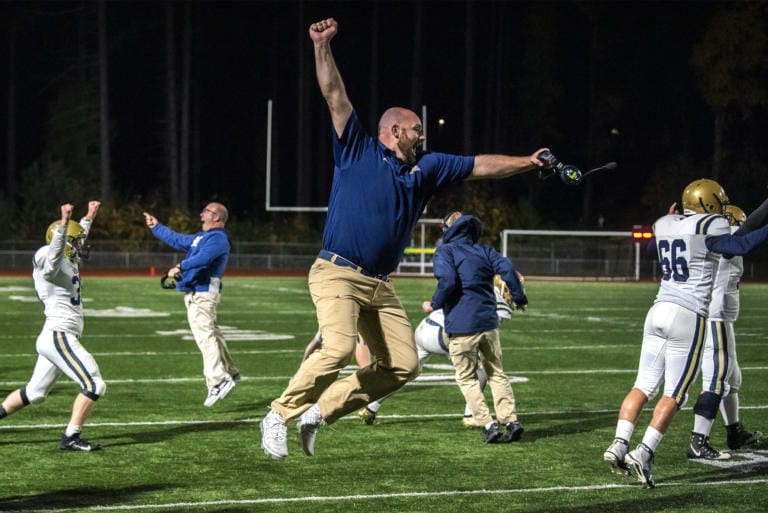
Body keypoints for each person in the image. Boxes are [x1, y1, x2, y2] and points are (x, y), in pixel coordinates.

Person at [259, 17, 548, 460]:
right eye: (416, 129)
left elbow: (480, 165)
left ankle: (322, 410)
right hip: (337, 271)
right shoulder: (356, 146)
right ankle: (278, 415)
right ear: (395, 131)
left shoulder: (427, 167)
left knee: (404, 364)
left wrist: (528, 162)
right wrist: (321, 47)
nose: (422, 135)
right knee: (337, 348)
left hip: (380, 283)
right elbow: (334, 95)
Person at [602, 179, 768, 488]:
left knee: (642, 385)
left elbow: (652, 246)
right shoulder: (712, 224)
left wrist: (672, 221)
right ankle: (644, 451)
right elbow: (739, 245)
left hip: (657, 310)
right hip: (688, 315)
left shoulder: (665, 223)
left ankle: (619, 444)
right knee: (675, 394)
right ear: (709, 203)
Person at [0, 202, 106, 451]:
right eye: (76, 240)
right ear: (62, 240)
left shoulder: (68, 258)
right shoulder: (47, 258)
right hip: (59, 335)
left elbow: (71, 242)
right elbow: (55, 255)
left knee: (35, 393)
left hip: (56, 336)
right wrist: (63, 224)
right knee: (94, 384)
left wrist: (88, 218)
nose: (81, 244)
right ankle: (71, 436)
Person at [357, 272, 516, 427]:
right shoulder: (496, 300)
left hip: (426, 327)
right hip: (445, 332)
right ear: (504, 288)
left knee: (406, 371)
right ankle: (471, 415)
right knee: (479, 370)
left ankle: (371, 407)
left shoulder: (474, 285)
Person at [422, 212, 528, 444]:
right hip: (488, 322)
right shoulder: (485, 250)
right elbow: (508, 270)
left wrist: (434, 303)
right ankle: (511, 421)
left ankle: (488, 424)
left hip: (461, 325)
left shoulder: (446, 251)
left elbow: (448, 280)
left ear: (447, 229)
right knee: (496, 373)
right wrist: (519, 298)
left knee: (467, 378)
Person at [143, 203, 239, 407]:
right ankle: (229, 370)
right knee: (213, 332)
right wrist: (156, 227)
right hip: (199, 291)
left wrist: (180, 266)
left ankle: (219, 380)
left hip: (203, 292)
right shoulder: (201, 237)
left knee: (205, 336)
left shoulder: (218, 238)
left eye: (207, 211)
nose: (201, 213)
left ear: (218, 218)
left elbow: (204, 258)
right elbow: (177, 239)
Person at [689, 203, 762, 459]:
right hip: (715, 317)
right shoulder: (726, 239)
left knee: (732, 380)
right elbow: (750, 227)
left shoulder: (712, 237)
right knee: (716, 379)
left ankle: (734, 431)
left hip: (721, 319)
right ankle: (698, 440)